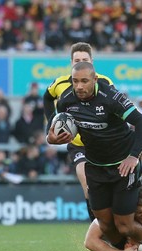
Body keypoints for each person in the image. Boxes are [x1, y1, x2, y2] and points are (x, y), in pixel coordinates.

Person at [47, 62, 142, 251]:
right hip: (94, 167)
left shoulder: (111, 97)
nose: (79, 86)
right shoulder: (65, 101)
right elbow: (54, 132)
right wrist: (51, 139)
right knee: (105, 224)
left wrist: (133, 156)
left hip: (123, 166)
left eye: (84, 81)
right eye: (75, 81)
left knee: (124, 225)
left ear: (95, 80)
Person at [43, 42, 114, 222]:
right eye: (77, 60)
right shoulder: (61, 84)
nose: (80, 63)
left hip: (103, 144)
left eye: (84, 60)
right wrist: (51, 123)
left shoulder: (104, 82)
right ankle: (100, 231)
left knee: (110, 189)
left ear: (92, 62)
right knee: (88, 185)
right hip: (79, 145)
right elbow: (47, 97)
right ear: (71, 62)